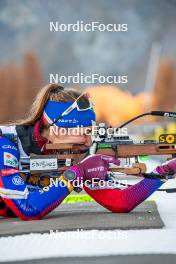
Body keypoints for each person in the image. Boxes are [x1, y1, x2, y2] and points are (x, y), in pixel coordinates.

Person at [0, 84, 175, 220]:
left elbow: (121, 201)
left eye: (90, 133)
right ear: (59, 129)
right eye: (84, 133)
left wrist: (163, 171)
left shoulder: (78, 150)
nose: (89, 141)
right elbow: (28, 208)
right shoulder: (7, 143)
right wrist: (78, 172)